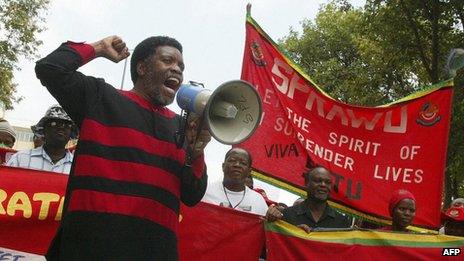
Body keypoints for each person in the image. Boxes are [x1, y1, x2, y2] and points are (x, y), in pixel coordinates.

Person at [35, 36, 211, 260]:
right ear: (142, 68)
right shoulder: (100, 98)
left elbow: (192, 196)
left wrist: (196, 153)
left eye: (181, 66)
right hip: (89, 249)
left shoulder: (183, 129)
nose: (177, 69)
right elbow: (50, 68)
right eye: (168, 61)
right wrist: (98, 48)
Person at [266, 166, 352, 232]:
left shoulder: (342, 222)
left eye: (328, 182)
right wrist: (295, 233)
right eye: (318, 181)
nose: (323, 185)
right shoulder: (286, 216)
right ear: (306, 183)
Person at [6, 105, 76, 174]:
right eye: (54, 123)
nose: (61, 127)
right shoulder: (20, 159)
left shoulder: (78, 167)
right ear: (44, 129)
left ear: (71, 132)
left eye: (67, 124)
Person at [202, 147, 268, 216]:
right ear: (223, 166)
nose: (237, 165)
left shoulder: (258, 200)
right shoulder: (204, 192)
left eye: (243, 163)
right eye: (232, 160)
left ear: (249, 171)